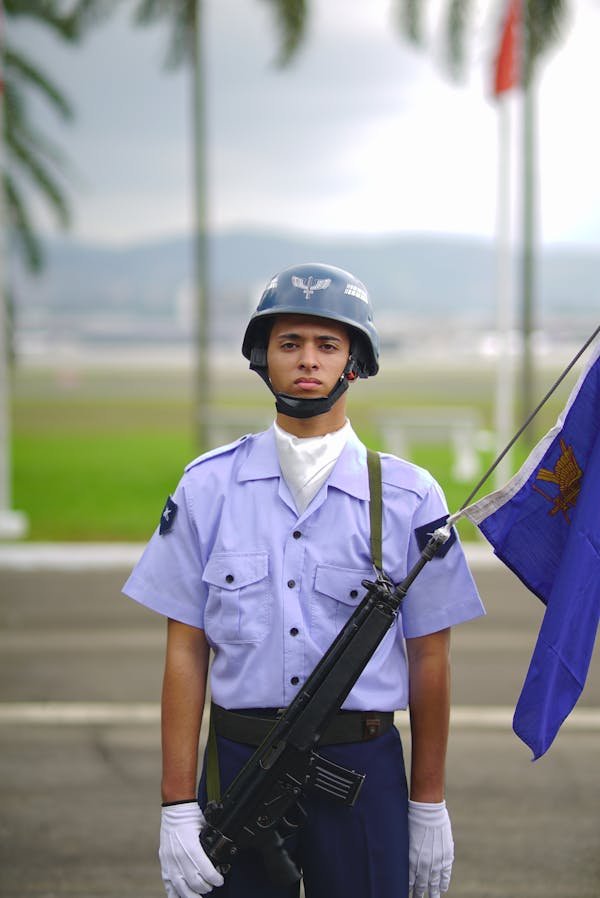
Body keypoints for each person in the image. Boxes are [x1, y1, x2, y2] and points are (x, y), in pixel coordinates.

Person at [123, 262, 485, 898]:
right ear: (263, 357)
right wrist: (176, 804)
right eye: (289, 343)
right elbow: (186, 649)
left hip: (362, 768)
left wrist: (429, 804)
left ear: (355, 362)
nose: (308, 360)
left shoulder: (408, 496)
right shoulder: (208, 487)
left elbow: (431, 658)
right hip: (240, 767)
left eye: (328, 344)